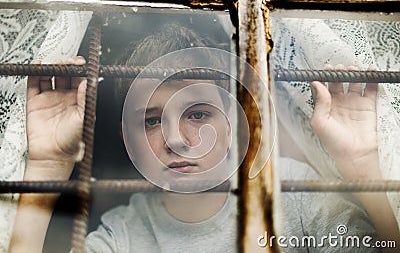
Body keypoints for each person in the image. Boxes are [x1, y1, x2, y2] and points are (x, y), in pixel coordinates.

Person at [8, 23, 399, 252]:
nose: (178, 139)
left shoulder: (295, 197)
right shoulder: (123, 233)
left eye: (197, 114)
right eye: (151, 120)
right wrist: (46, 165)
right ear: (128, 137)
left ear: (233, 123)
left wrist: (362, 163)